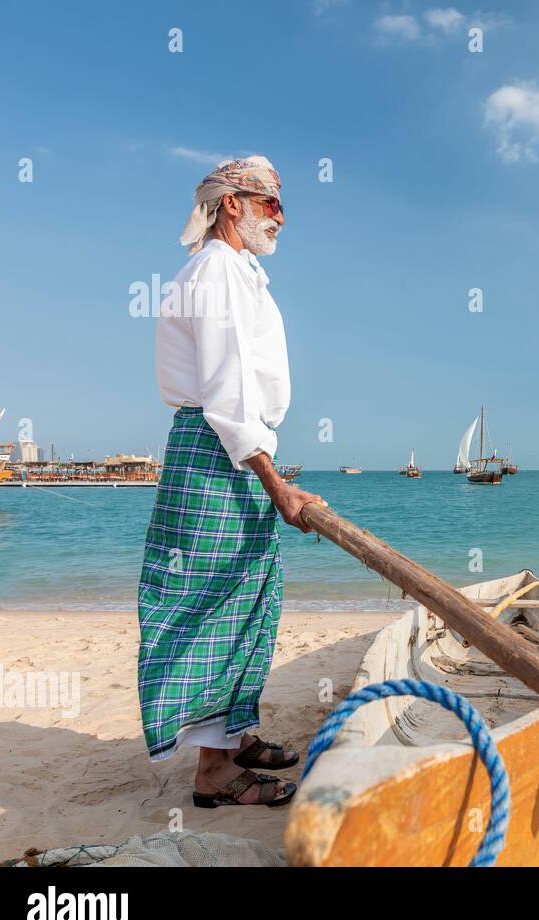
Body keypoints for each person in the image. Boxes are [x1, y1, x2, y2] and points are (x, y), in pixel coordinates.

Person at [137, 156, 324, 808]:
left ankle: (235, 735)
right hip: (220, 451)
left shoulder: (238, 272)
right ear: (231, 204)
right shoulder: (215, 270)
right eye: (269, 202)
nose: (279, 216)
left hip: (230, 449)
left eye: (280, 204)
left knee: (251, 595)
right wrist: (279, 486)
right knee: (219, 602)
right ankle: (214, 773)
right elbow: (226, 393)